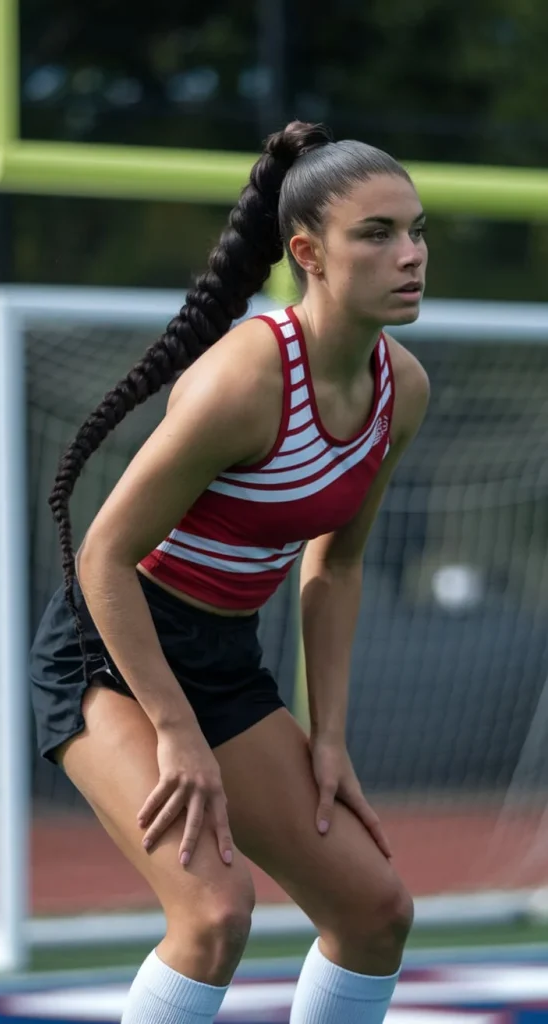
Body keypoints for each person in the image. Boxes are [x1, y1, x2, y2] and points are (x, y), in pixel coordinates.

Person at [30, 119, 429, 1024]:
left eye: (417, 230)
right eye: (378, 234)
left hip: (223, 662)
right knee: (214, 915)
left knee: (376, 912)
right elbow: (103, 554)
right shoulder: (246, 378)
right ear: (307, 253)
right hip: (110, 653)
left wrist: (330, 737)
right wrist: (176, 731)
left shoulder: (401, 389)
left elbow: (338, 562)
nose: (412, 255)